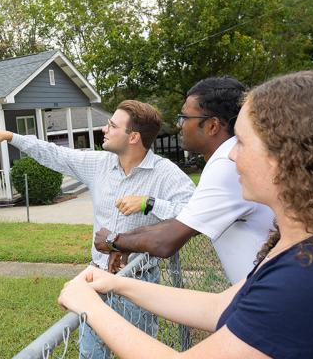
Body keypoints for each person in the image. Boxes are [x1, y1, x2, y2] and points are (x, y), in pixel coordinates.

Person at [58, 71, 313, 359]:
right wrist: (116, 284)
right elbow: (220, 306)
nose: (228, 157)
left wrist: (89, 306)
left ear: (288, 157)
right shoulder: (308, 250)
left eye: (240, 142)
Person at [0, 100, 195, 359]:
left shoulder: (163, 173)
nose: (105, 130)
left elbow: (193, 209)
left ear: (134, 137)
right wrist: (10, 137)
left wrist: (149, 203)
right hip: (96, 277)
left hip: (140, 281)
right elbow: (56, 154)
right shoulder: (98, 164)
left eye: (113, 126)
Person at [95, 77, 274, 284]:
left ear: (212, 126)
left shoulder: (226, 164)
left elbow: (167, 241)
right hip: (262, 287)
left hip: (269, 292)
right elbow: (185, 222)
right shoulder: (229, 157)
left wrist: (114, 241)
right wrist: (125, 243)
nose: (179, 125)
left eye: (184, 117)